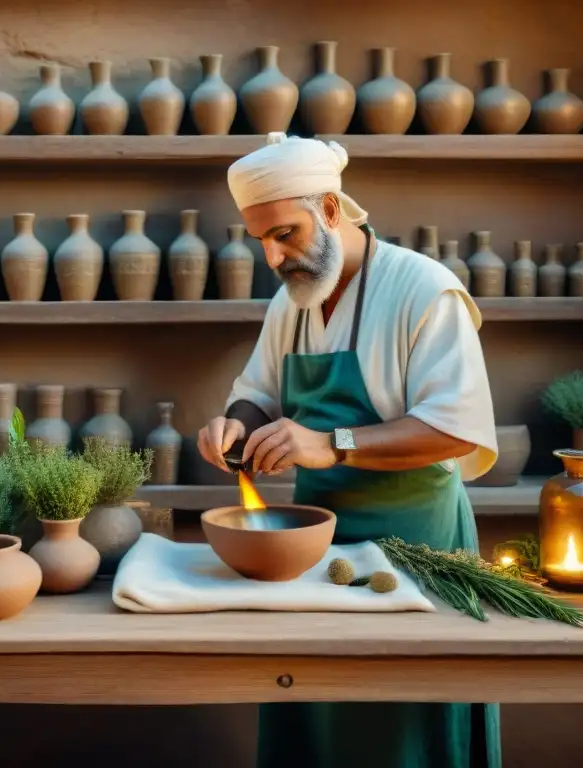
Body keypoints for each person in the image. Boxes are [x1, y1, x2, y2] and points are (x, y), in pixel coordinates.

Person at [197, 132, 501, 768]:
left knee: (403, 719)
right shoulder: (295, 299)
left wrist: (332, 444)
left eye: (286, 233)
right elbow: (259, 391)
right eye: (262, 242)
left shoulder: (424, 289)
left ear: (332, 209)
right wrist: (234, 423)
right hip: (318, 548)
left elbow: (456, 429)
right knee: (318, 710)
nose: (275, 257)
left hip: (418, 545)